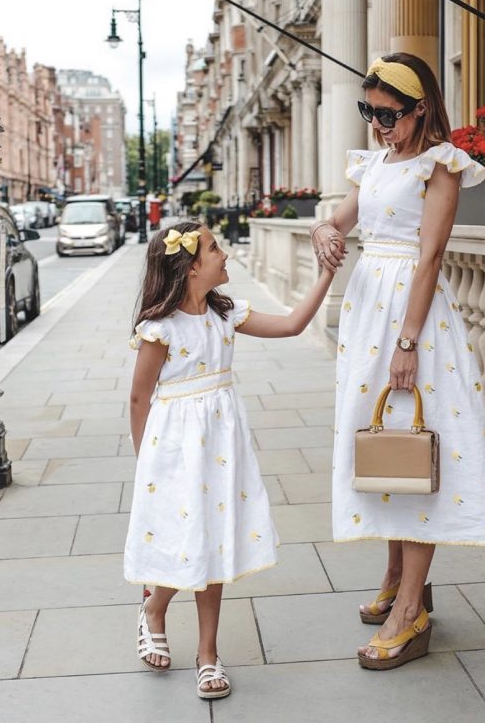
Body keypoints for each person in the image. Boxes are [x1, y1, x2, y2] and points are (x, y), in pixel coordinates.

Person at [310, 53, 485, 672]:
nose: (377, 125)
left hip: (410, 320)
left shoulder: (439, 165)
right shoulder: (376, 163)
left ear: (421, 108)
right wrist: (322, 230)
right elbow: (340, 217)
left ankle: (410, 610)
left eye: (388, 114)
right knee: (385, 449)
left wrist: (408, 342)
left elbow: (431, 257)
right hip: (370, 311)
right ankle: (397, 577)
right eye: (369, 111)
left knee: (417, 448)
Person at [125, 221, 333, 698]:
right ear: (191, 265)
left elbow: (292, 325)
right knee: (186, 538)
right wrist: (146, 466)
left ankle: (208, 653)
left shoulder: (226, 314)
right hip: (176, 449)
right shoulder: (160, 329)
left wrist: (324, 275)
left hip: (221, 444)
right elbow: (139, 400)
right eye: (217, 248)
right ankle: (155, 607)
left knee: (213, 543)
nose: (227, 255)